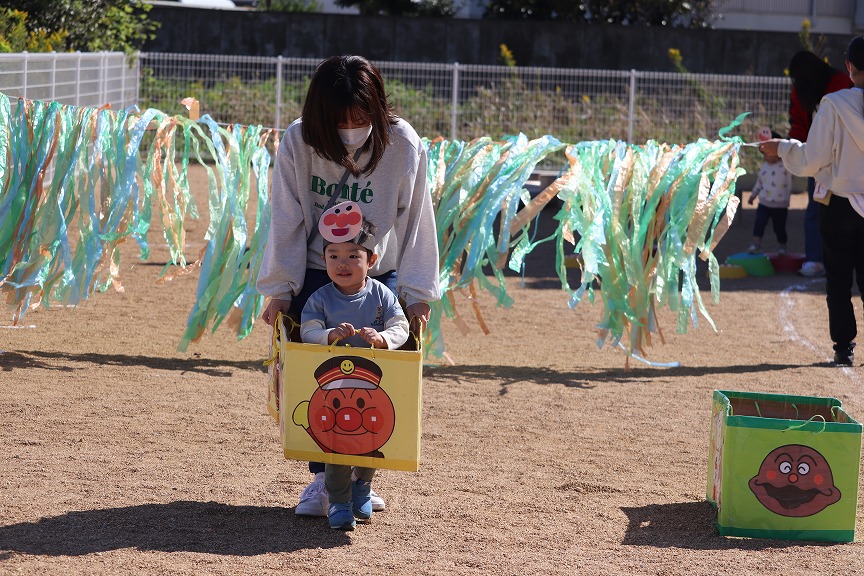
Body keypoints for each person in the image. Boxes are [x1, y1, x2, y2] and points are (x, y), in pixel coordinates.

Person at [256, 54, 440, 517]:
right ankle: (322, 481)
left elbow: (418, 219)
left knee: (376, 374)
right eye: (339, 120)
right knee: (316, 374)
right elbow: (287, 217)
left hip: (379, 272)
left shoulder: (402, 142)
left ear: (376, 109)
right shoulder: (299, 140)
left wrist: (418, 293)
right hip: (317, 273)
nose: (350, 127)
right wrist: (280, 288)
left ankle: (360, 478)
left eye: (359, 117)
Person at [301, 212, 409, 530]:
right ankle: (338, 501)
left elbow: (400, 325)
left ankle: (362, 486)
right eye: (333, 256)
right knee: (337, 445)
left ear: (371, 259)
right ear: (323, 260)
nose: (342, 263)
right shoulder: (319, 298)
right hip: (334, 386)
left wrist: (384, 338)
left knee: (370, 442)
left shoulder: (381, 294)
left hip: (373, 386)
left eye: (353, 256)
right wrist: (327, 335)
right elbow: (307, 330)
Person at [761, 35, 864, 366]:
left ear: (849, 66)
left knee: (838, 277)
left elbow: (812, 158)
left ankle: (844, 346)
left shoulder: (835, 105)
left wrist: (781, 147)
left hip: (839, 202)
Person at [787, 50, 853, 276]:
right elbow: (797, 124)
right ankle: (815, 259)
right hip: (816, 162)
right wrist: (794, 151)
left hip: (846, 160)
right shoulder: (799, 92)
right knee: (816, 208)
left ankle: (848, 261)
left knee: (849, 209)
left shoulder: (841, 84)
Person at [747, 130, 792, 255]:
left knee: (779, 228)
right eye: (764, 152)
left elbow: (789, 184)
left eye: (770, 151)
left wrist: (787, 199)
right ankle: (756, 244)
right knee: (759, 223)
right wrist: (753, 195)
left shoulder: (785, 166)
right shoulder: (764, 167)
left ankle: (782, 245)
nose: (767, 155)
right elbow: (759, 182)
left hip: (780, 205)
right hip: (764, 203)